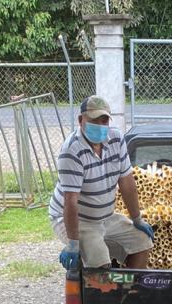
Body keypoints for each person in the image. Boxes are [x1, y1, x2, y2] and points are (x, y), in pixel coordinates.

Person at [50, 95, 154, 272]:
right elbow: (70, 201)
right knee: (100, 265)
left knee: (142, 242)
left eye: (104, 120)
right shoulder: (71, 151)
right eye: (93, 120)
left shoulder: (116, 139)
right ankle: (100, 288)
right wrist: (73, 243)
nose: (99, 125)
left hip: (105, 217)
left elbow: (127, 182)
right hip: (77, 219)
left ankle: (128, 288)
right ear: (81, 120)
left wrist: (136, 218)